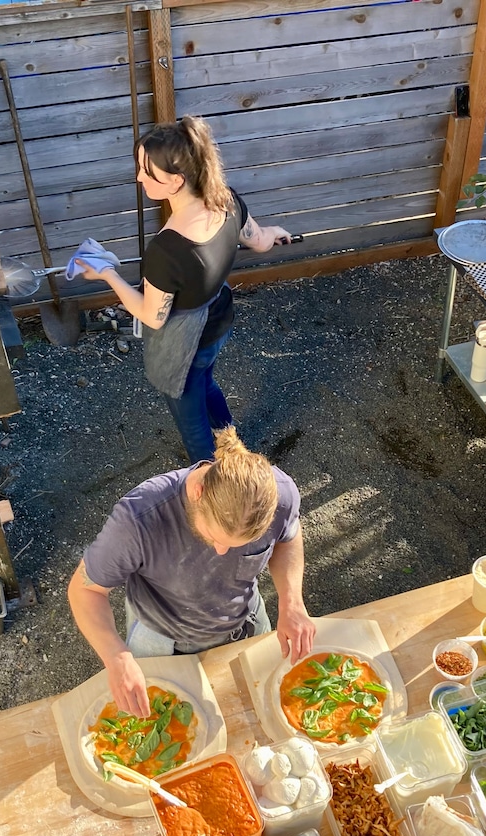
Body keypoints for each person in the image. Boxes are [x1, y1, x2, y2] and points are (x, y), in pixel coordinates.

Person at [76, 116, 294, 463]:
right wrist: (275, 229)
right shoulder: (228, 201)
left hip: (187, 343)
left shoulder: (168, 249)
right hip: (219, 318)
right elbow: (261, 241)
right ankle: (231, 441)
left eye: (148, 172)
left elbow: (152, 315)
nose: (138, 177)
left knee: (191, 419)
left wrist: (107, 275)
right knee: (206, 381)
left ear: (176, 180)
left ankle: (211, 476)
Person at [66, 426, 315, 717]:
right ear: (198, 491)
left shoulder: (280, 494)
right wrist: (116, 657)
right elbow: (85, 590)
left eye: (240, 546)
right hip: (163, 638)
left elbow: (288, 537)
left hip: (246, 623)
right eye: (214, 537)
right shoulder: (137, 520)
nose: (221, 552)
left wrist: (292, 603)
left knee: (258, 714)